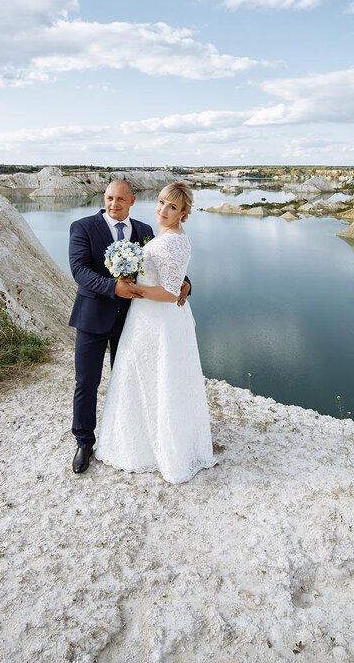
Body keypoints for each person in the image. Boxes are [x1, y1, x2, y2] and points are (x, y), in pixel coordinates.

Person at [94, 182, 217, 484]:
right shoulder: (167, 235)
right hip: (151, 318)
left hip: (156, 319)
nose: (163, 210)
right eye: (161, 202)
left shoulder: (171, 240)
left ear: (183, 211)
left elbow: (169, 291)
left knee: (155, 378)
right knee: (152, 378)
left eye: (172, 206)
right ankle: (149, 441)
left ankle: (155, 450)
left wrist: (134, 289)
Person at [67, 179, 191, 474]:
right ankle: (84, 442)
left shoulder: (145, 231)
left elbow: (165, 268)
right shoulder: (83, 227)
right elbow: (80, 271)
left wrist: (186, 283)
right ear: (104, 198)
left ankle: (133, 437)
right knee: (87, 383)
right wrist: (113, 288)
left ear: (132, 200)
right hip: (93, 319)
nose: (114, 204)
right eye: (110, 198)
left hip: (133, 321)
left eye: (121, 199)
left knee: (130, 380)